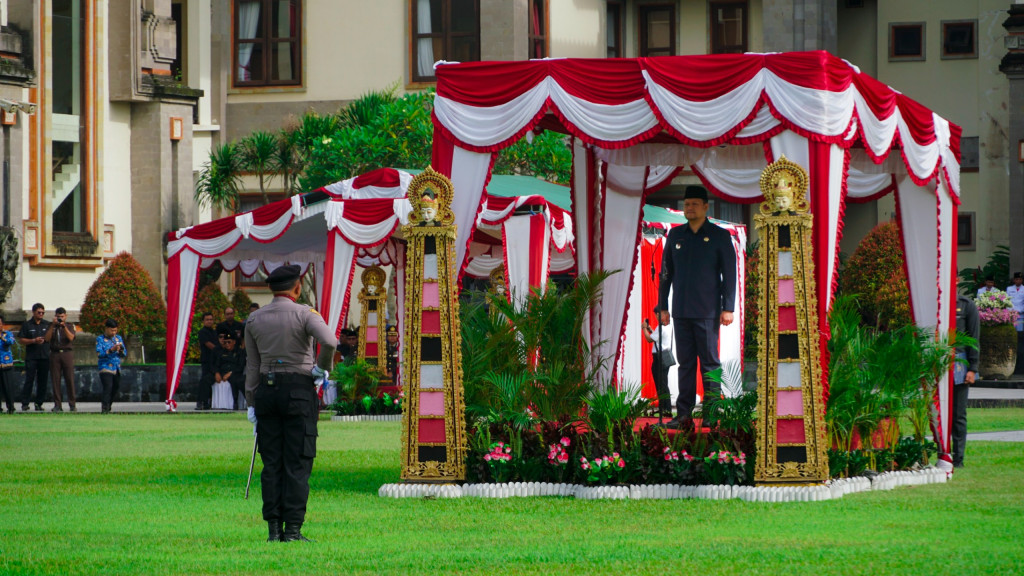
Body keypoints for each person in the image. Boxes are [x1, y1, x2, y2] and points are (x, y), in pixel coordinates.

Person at [244, 264, 336, 543]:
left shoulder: (254, 319)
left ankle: (273, 530)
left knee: (272, 463)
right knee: (297, 462)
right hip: (298, 390)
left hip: (266, 394)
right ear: (297, 287)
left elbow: (252, 365)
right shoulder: (304, 313)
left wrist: (251, 402)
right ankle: (293, 530)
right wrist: (321, 369)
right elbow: (330, 341)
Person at [658, 186, 736, 428]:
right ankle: (683, 415)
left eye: (694, 204)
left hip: (708, 312)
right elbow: (665, 274)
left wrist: (728, 307)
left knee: (710, 363)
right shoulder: (675, 235)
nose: (689, 208)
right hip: (681, 312)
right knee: (686, 365)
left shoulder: (719, 236)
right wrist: (662, 307)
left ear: (705, 207)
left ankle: (711, 414)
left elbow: (729, 274)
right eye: (686, 204)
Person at [953, 280, 980, 468]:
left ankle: (958, 459)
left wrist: (973, 368)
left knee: (958, 414)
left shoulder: (966, 305)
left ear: (956, 280)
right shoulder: (934, 305)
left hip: (959, 366)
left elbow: (973, 337)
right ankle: (940, 454)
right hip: (937, 365)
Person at [641, 306, 674, 420]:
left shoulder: (661, 327)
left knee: (661, 384)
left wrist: (644, 328)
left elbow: (649, 339)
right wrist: (650, 328)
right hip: (665, 356)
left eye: (657, 314)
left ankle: (666, 408)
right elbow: (657, 337)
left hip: (659, 358)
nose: (656, 316)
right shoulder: (668, 326)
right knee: (663, 383)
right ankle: (665, 408)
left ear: (659, 314)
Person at [18, 303, 50, 411]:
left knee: (42, 381)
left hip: (44, 357)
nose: (41, 314)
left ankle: (39, 403)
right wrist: (33, 340)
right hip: (32, 357)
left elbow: (50, 338)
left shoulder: (46, 324)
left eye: (42, 312)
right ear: (34, 312)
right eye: (39, 312)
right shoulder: (27, 325)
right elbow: (21, 340)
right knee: (29, 380)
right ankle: (25, 403)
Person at [44, 307, 77, 412]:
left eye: (62, 317)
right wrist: (53, 325)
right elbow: (47, 339)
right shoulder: (51, 326)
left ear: (65, 316)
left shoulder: (70, 326)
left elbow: (71, 338)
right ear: (55, 316)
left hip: (67, 353)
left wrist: (64, 327)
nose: (60, 319)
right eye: (58, 317)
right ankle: (57, 404)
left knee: (69, 379)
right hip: (55, 354)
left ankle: (72, 404)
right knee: (55, 380)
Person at [96, 319, 126, 414]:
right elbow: (99, 354)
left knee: (115, 387)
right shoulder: (100, 339)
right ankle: (105, 408)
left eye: (115, 330)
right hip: (105, 367)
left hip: (116, 367)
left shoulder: (118, 339)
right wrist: (111, 350)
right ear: (107, 329)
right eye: (112, 330)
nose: (114, 333)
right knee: (108, 387)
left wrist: (121, 350)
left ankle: (109, 405)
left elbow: (124, 353)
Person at [214, 331, 246, 410]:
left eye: (229, 342)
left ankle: (235, 402)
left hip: (235, 373)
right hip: (222, 374)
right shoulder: (221, 352)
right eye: (225, 343)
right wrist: (216, 373)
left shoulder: (240, 352)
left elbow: (240, 366)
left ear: (234, 342)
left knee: (237, 380)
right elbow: (216, 364)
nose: (227, 344)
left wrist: (231, 373)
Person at [197, 312, 219, 410]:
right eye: (207, 319)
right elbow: (209, 345)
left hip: (214, 361)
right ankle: (202, 402)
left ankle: (209, 401)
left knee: (210, 381)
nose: (209, 321)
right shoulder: (202, 332)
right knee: (204, 381)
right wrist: (220, 351)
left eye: (211, 319)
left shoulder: (214, 332)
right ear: (203, 321)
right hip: (206, 360)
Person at [1007, 272, 1024, 374]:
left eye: (1020, 279)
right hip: (1011, 315)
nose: (1018, 281)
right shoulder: (1009, 289)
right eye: (1016, 279)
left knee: (1020, 338)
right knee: (1012, 336)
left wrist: (1018, 310)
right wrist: (1011, 310)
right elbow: (1008, 301)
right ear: (1014, 280)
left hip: (1021, 316)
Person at [0, 314, 17, 414]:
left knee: (8, 387)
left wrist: (2, 338)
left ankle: (11, 407)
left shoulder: (8, 334)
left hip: (6, 365)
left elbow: (11, 342)